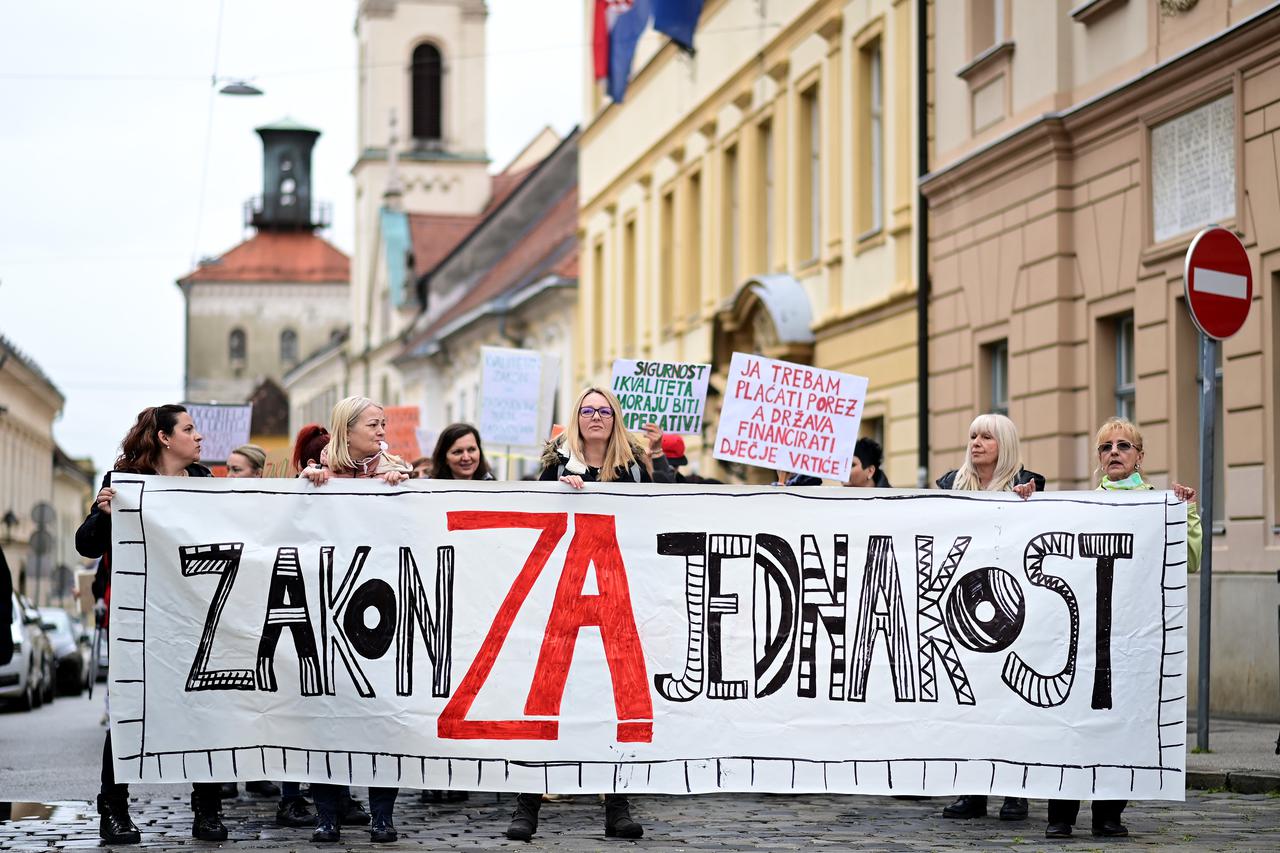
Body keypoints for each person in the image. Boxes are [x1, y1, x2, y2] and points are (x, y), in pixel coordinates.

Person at [1044, 416, 1201, 840]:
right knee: (1074, 726)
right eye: (1105, 447)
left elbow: (1190, 559)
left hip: (1133, 637)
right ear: (1098, 459)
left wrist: (1185, 514)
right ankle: (1060, 816)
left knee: (1122, 724)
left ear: (1140, 457)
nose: (1114, 452)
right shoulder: (1081, 505)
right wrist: (1028, 506)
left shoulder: (1160, 504)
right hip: (1083, 638)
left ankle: (1108, 815)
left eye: (1123, 446)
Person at [76, 405, 228, 844]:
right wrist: (103, 513)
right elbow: (86, 546)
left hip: (196, 617)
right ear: (163, 437)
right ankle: (114, 809)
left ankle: (207, 807)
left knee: (205, 708)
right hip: (141, 620)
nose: (198, 437)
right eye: (189, 429)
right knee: (130, 709)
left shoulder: (203, 482)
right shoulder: (122, 483)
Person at [504, 388, 648, 842]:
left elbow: (653, 516)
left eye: (604, 411)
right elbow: (536, 517)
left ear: (615, 418)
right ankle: (527, 806)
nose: (596, 418)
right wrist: (557, 495)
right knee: (547, 698)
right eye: (587, 410)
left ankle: (616, 806)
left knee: (612, 700)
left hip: (615, 597)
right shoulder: (554, 462)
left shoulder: (635, 467)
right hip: (564, 599)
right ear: (576, 417)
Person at [299, 396, 409, 843]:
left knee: (384, 717)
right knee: (328, 717)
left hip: (386, 610)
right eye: (373, 424)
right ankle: (329, 815)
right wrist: (308, 487)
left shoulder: (395, 469)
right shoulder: (318, 472)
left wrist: (405, 486)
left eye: (384, 423)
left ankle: (382, 816)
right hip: (329, 609)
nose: (382, 430)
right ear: (347, 429)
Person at [937, 412, 1039, 823]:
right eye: (973, 436)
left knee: (1009, 706)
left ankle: (1015, 792)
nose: (977, 442)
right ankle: (972, 790)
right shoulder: (948, 485)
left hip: (1009, 608)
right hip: (961, 605)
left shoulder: (1030, 483)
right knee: (970, 704)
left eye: (987, 437)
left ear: (1005, 444)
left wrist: (1029, 500)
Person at [430, 423, 495, 481]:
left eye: (471, 450)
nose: (466, 458)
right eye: (458, 452)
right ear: (444, 457)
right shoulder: (429, 489)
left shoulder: (492, 487)